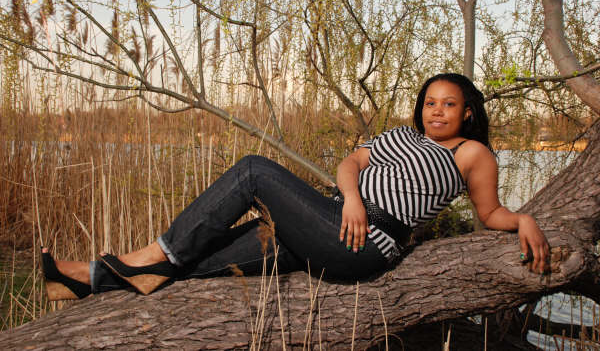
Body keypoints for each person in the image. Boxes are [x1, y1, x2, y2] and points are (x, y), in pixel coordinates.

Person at [41, 73, 550, 300]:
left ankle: (154, 253)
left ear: (468, 111)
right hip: (330, 219)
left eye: (449, 104)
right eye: (430, 102)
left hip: (364, 244)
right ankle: (87, 277)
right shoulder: (401, 135)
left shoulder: (472, 154)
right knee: (211, 258)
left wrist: (524, 218)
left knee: (254, 170)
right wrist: (350, 196)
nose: (437, 111)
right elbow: (351, 161)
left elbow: (490, 214)